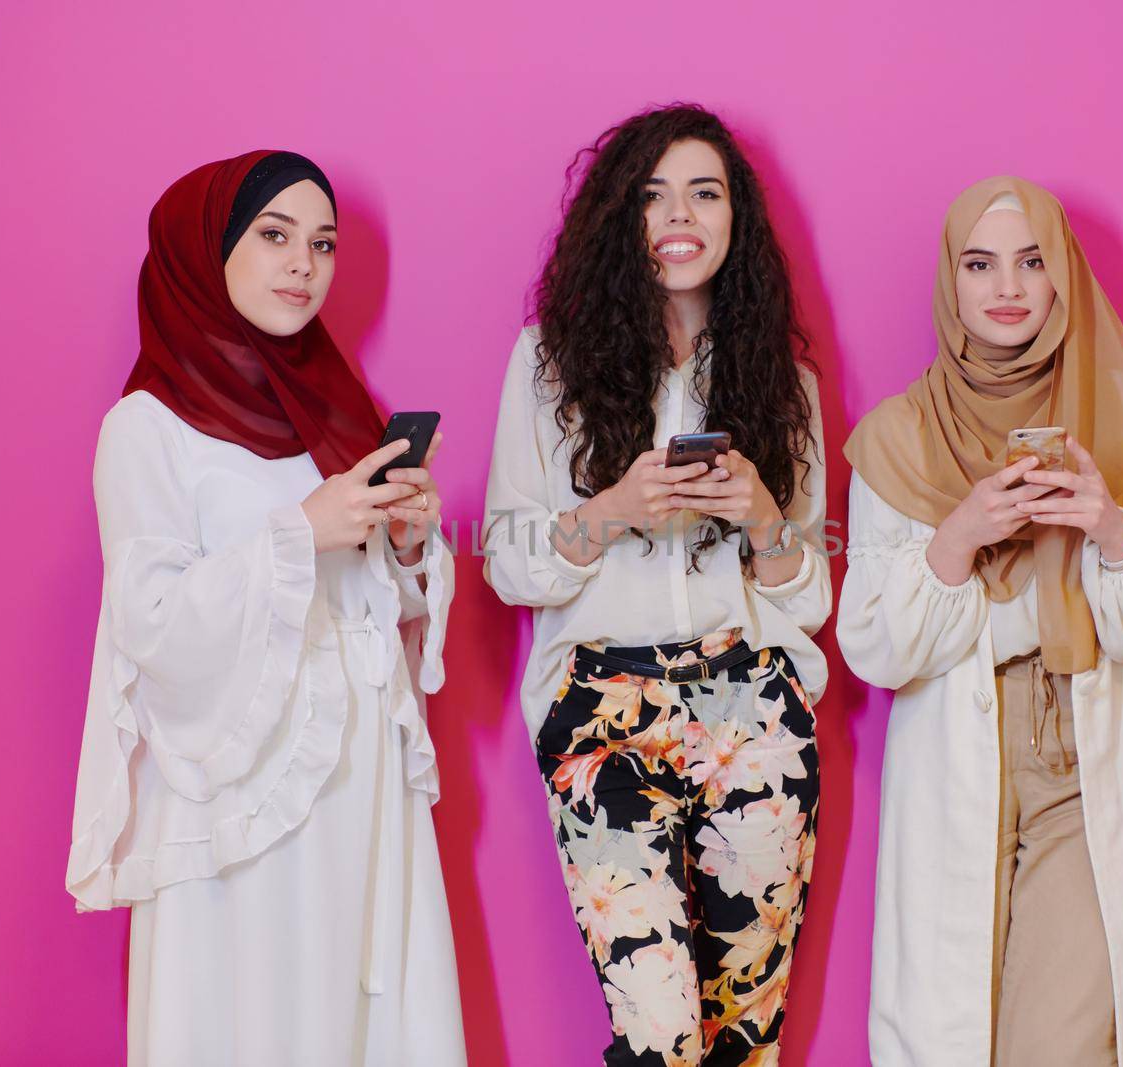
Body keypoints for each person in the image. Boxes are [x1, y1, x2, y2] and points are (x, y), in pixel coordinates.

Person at [65, 150, 465, 1065]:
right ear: (207, 252)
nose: (303, 265)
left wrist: (404, 543)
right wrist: (300, 531)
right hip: (243, 786)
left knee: (361, 1012)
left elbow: (373, 605)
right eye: (274, 235)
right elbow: (150, 617)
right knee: (255, 1010)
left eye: (322, 244)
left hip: (356, 775)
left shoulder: (337, 411)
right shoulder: (146, 426)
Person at [483, 105, 830, 1066]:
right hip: (603, 703)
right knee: (660, 1034)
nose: (680, 214)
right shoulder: (548, 363)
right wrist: (617, 506)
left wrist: (761, 508)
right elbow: (510, 562)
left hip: (751, 699)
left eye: (704, 193)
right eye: (653, 195)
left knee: (745, 1036)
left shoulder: (782, 380)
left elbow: (808, 595)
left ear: (736, 218)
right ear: (619, 219)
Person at [838, 176, 1123, 1065]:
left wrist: (1109, 527)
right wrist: (965, 530)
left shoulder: (1118, 411)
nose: (1006, 286)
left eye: (1031, 261)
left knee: (1060, 1044)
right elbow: (874, 648)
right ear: (951, 281)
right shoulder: (897, 437)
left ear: (1059, 281)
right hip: (955, 757)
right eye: (981, 263)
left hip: (1081, 759)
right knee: (953, 1039)